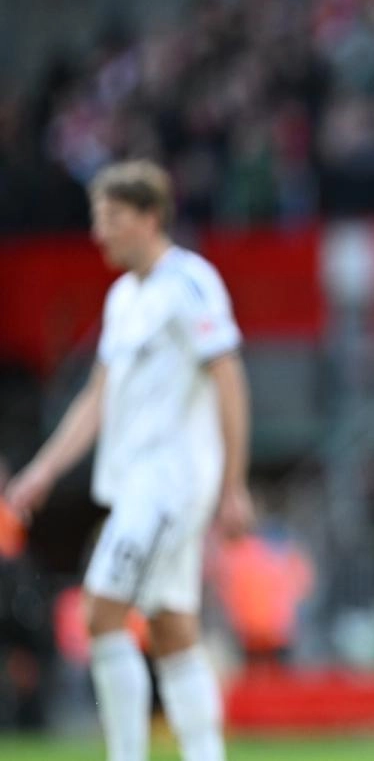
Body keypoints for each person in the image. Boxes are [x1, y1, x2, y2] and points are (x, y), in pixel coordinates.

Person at [5, 160, 254, 761]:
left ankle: (126, 754)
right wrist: (43, 469)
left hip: (170, 484)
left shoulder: (191, 283)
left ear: (150, 217)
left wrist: (235, 484)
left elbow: (229, 379)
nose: (100, 234)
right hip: (137, 483)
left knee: (100, 609)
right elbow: (97, 398)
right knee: (172, 629)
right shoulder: (123, 297)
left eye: (112, 218)